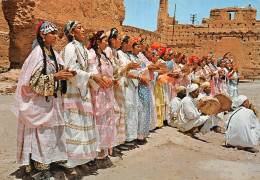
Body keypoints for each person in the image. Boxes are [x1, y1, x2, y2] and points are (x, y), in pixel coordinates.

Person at [13, 21, 76, 178]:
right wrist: (55, 77)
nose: (56, 37)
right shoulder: (37, 55)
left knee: (53, 132)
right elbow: (33, 82)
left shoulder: (52, 53)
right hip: (40, 105)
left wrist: (66, 74)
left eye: (56, 34)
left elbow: (58, 71)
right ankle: (40, 166)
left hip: (52, 103)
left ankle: (52, 160)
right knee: (42, 133)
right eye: (52, 34)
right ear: (42, 35)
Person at [62, 21, 102, 169]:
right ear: (71, 32)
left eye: (83, 27)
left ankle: (83, 159)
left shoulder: (84, 49)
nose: (83, 30)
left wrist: (97, 77)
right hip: (73, 91)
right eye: (79, 28)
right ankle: (71, 159)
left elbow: (91, 68)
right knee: (74, 125)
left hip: (83, 92)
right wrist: (91, 77)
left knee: (84, 124)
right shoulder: (70, 48)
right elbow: (71, 70)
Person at [88, 31, 118, 159]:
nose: (107, 43)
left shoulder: (104, 56)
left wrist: (112, 81)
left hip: (107, 93)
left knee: (107, 121)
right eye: (104, 41)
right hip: (97, 93)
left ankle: (104, 149)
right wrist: (104, 81)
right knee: (98, 121)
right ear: (98, 42)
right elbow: (92, 74)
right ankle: (96, 151)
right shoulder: (91, 55)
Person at [105, 28, 127, 150]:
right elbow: (112, 70)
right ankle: (111, 143)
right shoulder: (109, 51)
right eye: (119, 39)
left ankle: (116, 142)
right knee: (114, 114)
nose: (120, 42)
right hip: (112, 87)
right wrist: (125, 68)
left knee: (118, 113)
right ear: (112, 40)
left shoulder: (116, 52)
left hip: (118, 87)